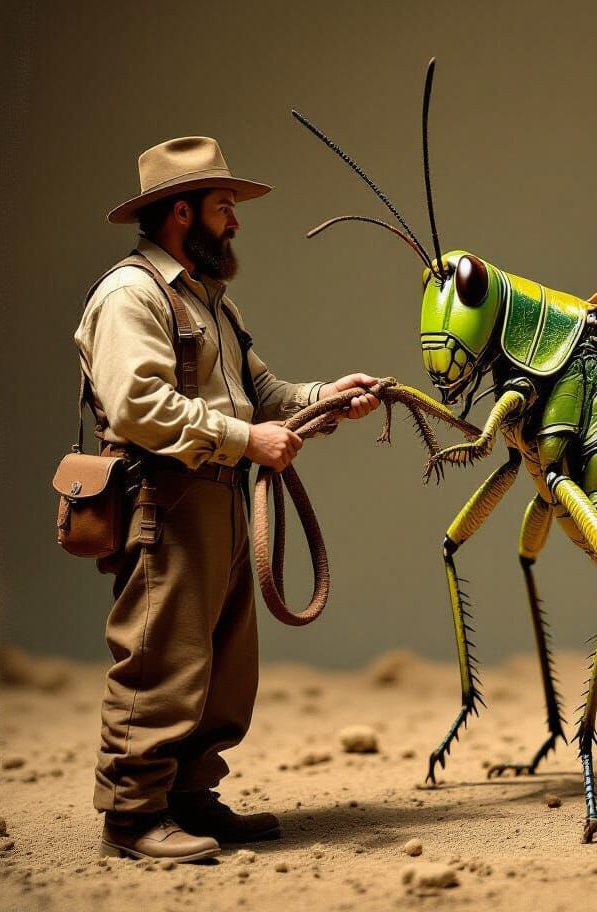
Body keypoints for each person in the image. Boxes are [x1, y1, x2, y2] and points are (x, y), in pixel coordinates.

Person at [76, 136, 380, 862]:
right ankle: (132, 812)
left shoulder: (211, 302)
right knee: (161, 657)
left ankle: (189, 797)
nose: (235, 222)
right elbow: (138, 407)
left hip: (222, 498)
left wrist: (324, 399)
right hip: (167, 499)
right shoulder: (132, 296)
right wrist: (248, 443)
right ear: (182, 214)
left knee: (222, 662)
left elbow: (258, 394)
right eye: (223, 208)